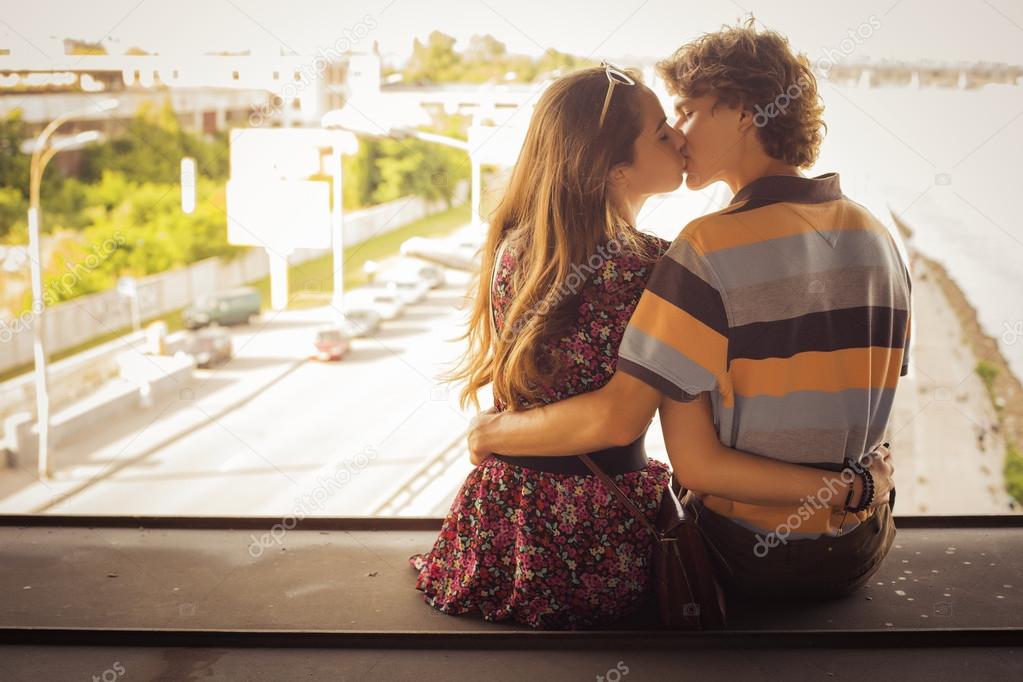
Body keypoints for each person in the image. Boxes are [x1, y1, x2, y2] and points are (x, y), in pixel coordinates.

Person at [411, 60, 892, 631]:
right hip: (595, 531)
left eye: (683, 117)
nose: (679, 138)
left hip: (498, 526)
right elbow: (627, 424)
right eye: (664, 128)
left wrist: (490, 431)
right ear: (615, 169)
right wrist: (851, 486)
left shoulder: (520, 245)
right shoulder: (659, 265)